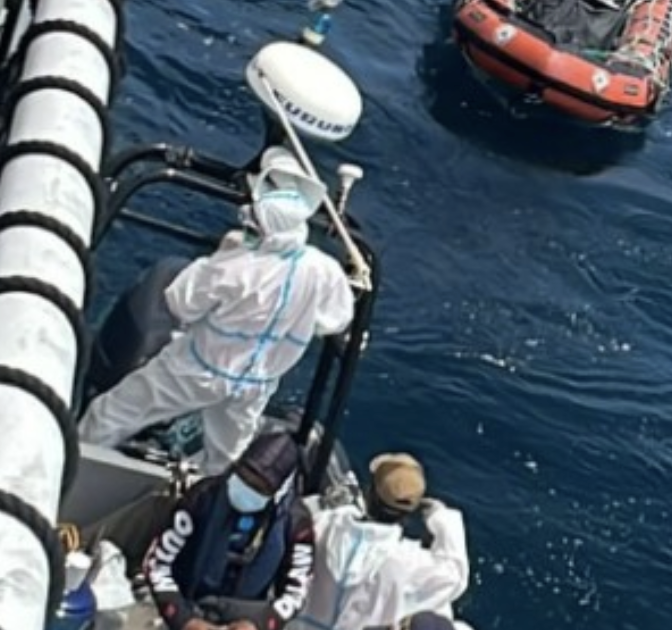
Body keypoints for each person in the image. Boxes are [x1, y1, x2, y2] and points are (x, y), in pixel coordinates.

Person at [78, 145, 356, 474]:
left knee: (111, 414)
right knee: (226, 457)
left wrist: (221, 256)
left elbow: (181, 303)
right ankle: (209, 496)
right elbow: (336, 320)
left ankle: (73, 467)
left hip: (198, 372)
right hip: (255, 386)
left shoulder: (235, 266)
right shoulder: (324, 271)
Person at [142, 432, 316, 630]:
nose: (247, 487)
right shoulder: (202, 496)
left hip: (249, 617)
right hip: (186, 604)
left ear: (276, 493)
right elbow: (158, 564)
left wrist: (259, 624)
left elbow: (296, 593)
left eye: (259, 488)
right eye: (243, 477)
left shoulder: (296, 523)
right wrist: (183, 620)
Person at [293, 452, 471, 630]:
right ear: (408, 514)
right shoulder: (408, 563)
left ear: (369, 492)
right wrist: (441, 517)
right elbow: (455, 576)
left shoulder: (324, 524)